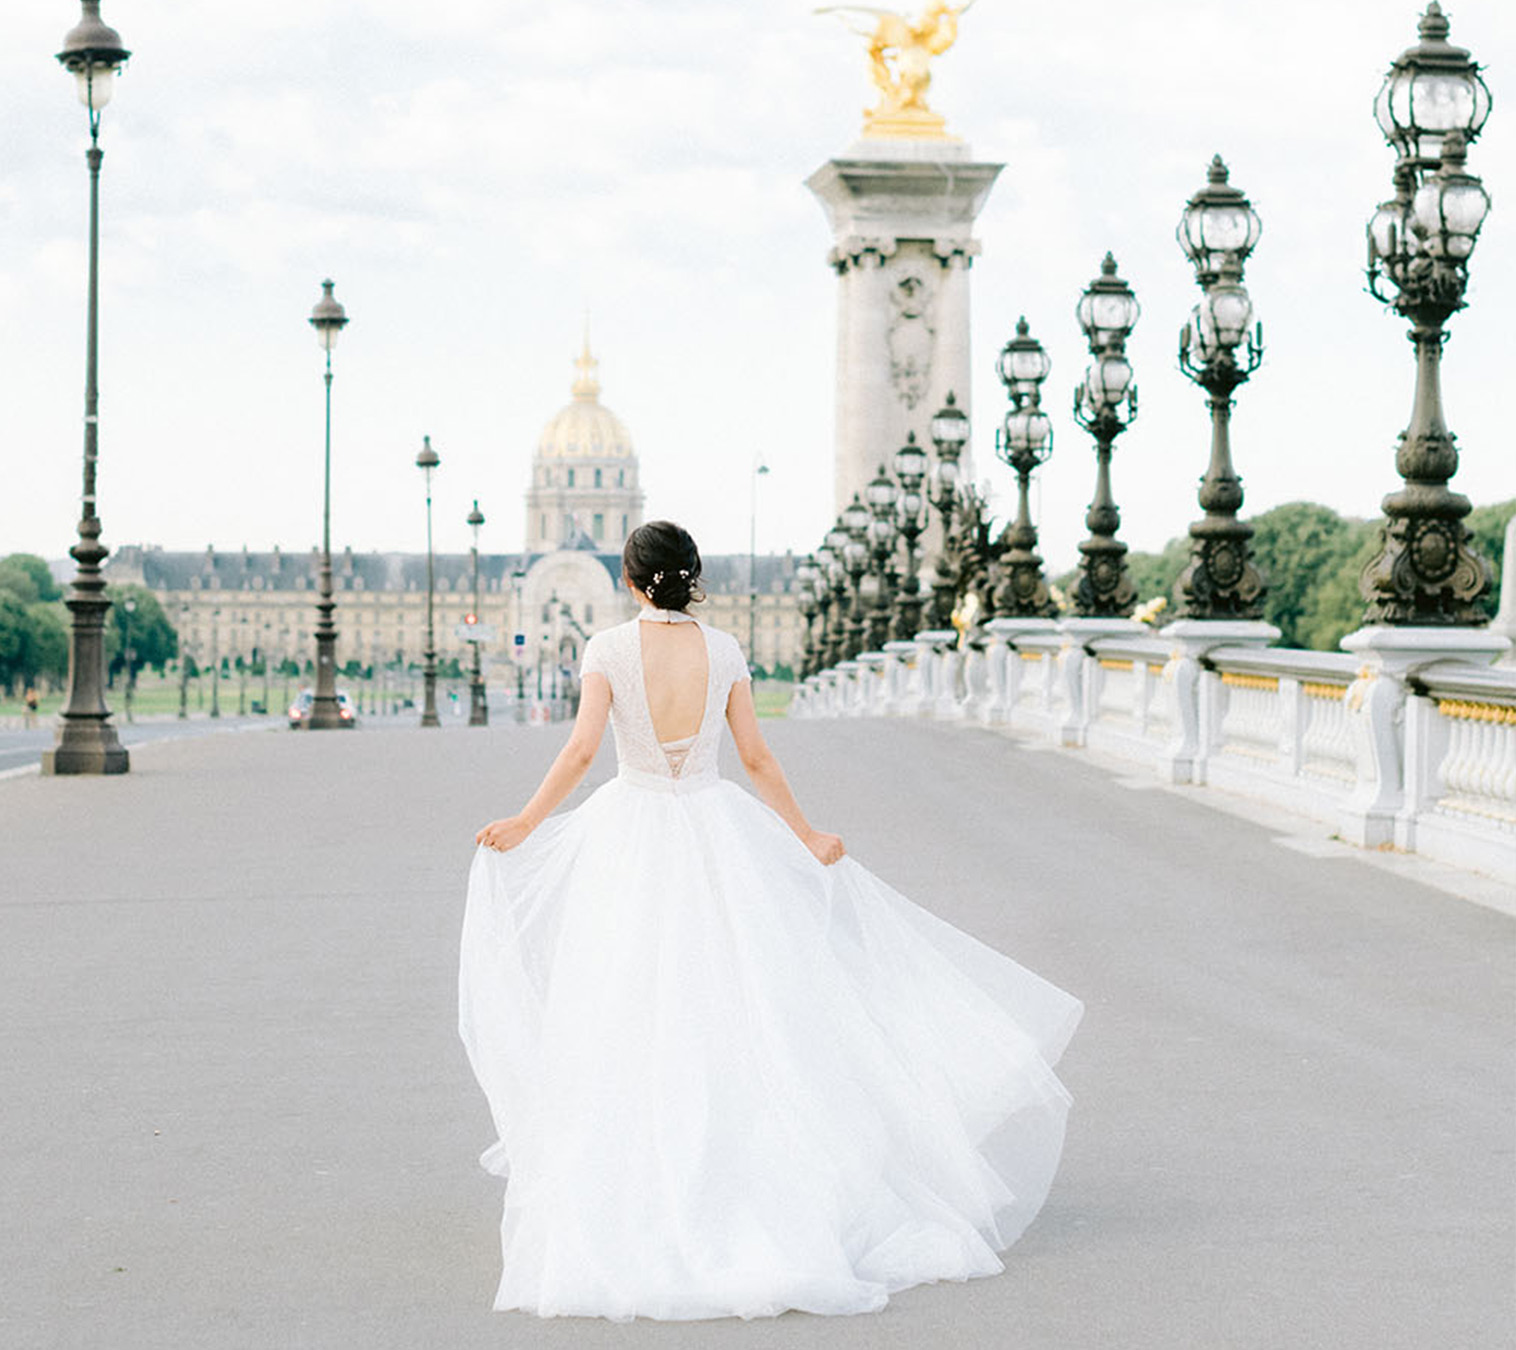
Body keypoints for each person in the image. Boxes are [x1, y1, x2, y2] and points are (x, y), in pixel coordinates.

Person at [460, 520, 1081, 1322]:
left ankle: (638, 1173)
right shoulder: (722, 652)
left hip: (633, 835)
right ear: (690, 578)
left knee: (625, 1008)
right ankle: (745, 1170)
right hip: (717, 833)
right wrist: (807, 834)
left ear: (630, 578)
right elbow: (756, 759)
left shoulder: (608, 649)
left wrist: (526, 822)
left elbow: (581, 753)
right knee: (740, 1007)